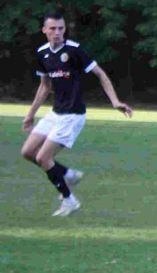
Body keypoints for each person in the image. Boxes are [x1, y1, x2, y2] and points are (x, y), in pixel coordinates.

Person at [20, 11, 133, 216]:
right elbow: (45, 87)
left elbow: (100, 73)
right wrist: (31, 114)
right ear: (44, 30)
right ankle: (68, 174)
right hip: (56, 113)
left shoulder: (75, 50)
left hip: (73, 115)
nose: (57, 32)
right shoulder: (42, 53)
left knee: (44, 158)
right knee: (28, 152)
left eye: (61, 28)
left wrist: (115, 101)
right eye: (52, 28)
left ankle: (69, 200)